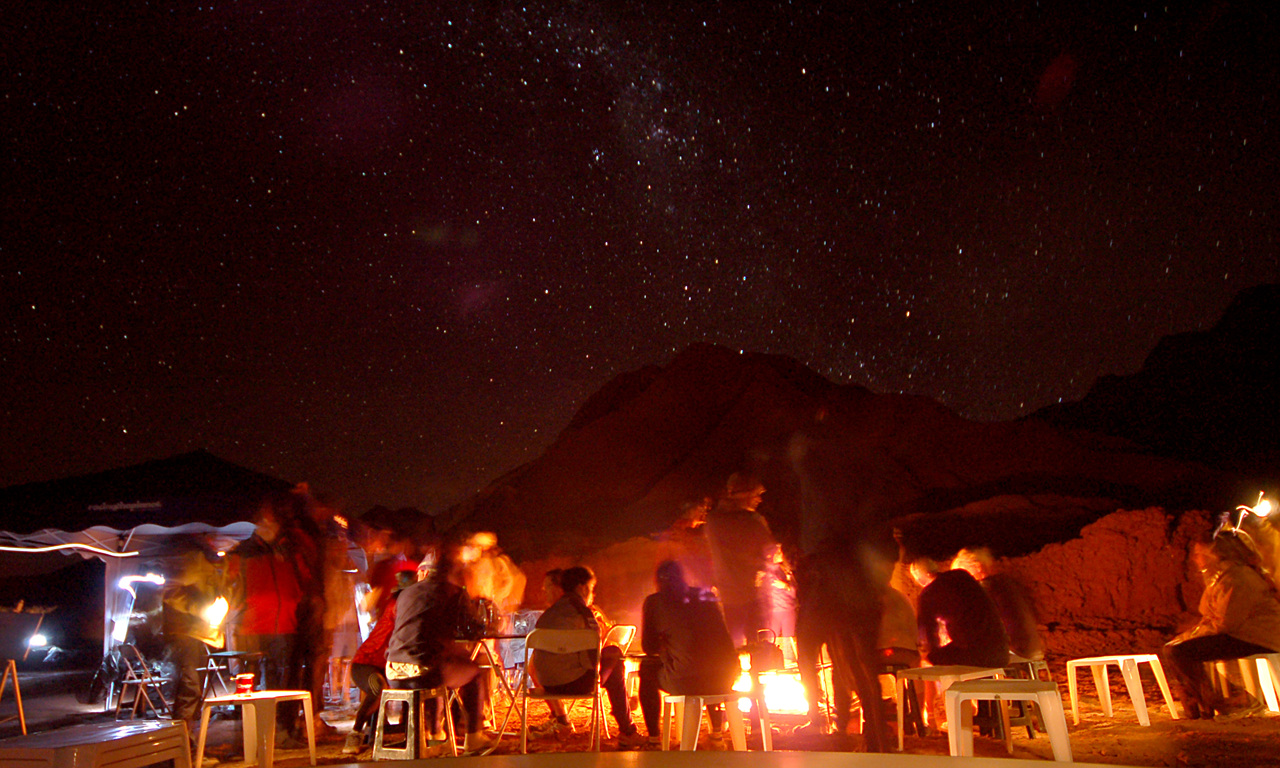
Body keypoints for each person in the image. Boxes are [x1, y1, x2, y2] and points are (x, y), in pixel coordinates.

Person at [385, 542, 493, 755]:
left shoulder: (405, 593)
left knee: (439, 664)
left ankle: (435, 734)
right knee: (474, 673)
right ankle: (474, 737)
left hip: (393, 670)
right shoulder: (453, 592)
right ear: (453, 573)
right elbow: (471, 628)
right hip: (424, 670)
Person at [1163, 531, 1280, 719]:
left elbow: (1226, 624)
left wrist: (1190, 637)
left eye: (1200, 553)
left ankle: (1224, 701)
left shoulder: (1238, 578)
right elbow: (1213, 619)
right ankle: (1207, 701)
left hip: (1259, 637)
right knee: (1176, 649)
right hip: (1245, 634)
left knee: (1181, 652)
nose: (1195, 558)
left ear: (1216, 554)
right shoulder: (1224, 577)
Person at [227, 492, 310, 747]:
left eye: (272, 520)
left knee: (281, 682)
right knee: (247, 682)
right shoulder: (240, 553)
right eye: (264, 520)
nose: (268, 524)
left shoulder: (292, 549)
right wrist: (239, 608)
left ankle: (279, 733)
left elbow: (305, 581)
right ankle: (249, 736)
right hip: (251, 626)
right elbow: (229, 587)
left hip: (283, 624)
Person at [531, 566, 646, 749]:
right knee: (614, 654)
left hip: (548, 685)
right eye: (592, 589)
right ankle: (627, 731)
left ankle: (627, 730)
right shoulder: (583, 613)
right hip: (574, 683)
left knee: (612, 663)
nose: (593, 594)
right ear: (583, 588)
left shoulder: (549, 614)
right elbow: (593, 660)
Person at [638, 560, 741, 748]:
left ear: (657, 581)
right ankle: (716, 735)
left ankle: (653, 739)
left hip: (687, 681)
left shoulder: (655, 602)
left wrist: (666, 643)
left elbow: (649, 647)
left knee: (647, 669)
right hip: (727, 677)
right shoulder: (706, 596)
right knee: (707, 663)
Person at [161, 534, 228, 750]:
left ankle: (186, 744)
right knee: (190, 688)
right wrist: (201, 610)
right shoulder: (193, 559)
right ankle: (181, 748)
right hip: (187, 633)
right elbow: (170, 591)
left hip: (200, 633)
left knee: (194, 689)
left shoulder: (208, 562)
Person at [343, 564, 416, 755]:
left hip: (385, 663)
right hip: (366, 663)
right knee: (378, 687)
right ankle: (355, 732)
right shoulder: (398, 607)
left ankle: (403, 733)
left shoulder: (402, 606)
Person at [704, 472, 777, 645]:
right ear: (745, 495)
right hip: (753, 593)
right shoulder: (752, 521)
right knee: (759, 643)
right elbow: (771, 553)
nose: (759, 500)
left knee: (733, 644)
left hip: (727, 593)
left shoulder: (712, 521)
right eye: (757, 495)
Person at [911, 558, 1009, 669]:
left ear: (920, 578)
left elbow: (926, 637)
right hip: (1001, 651)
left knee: (926, 660)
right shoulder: (962, 575)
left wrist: (930, 655)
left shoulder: (928, 594)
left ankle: (951, 686)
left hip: (975, 656)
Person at [952, 547, 1044, 661]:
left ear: (971, 570)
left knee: (960, 658)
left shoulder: (983, 590)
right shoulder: (1003, 582)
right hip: (1032, 648)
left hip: (1015, 650)